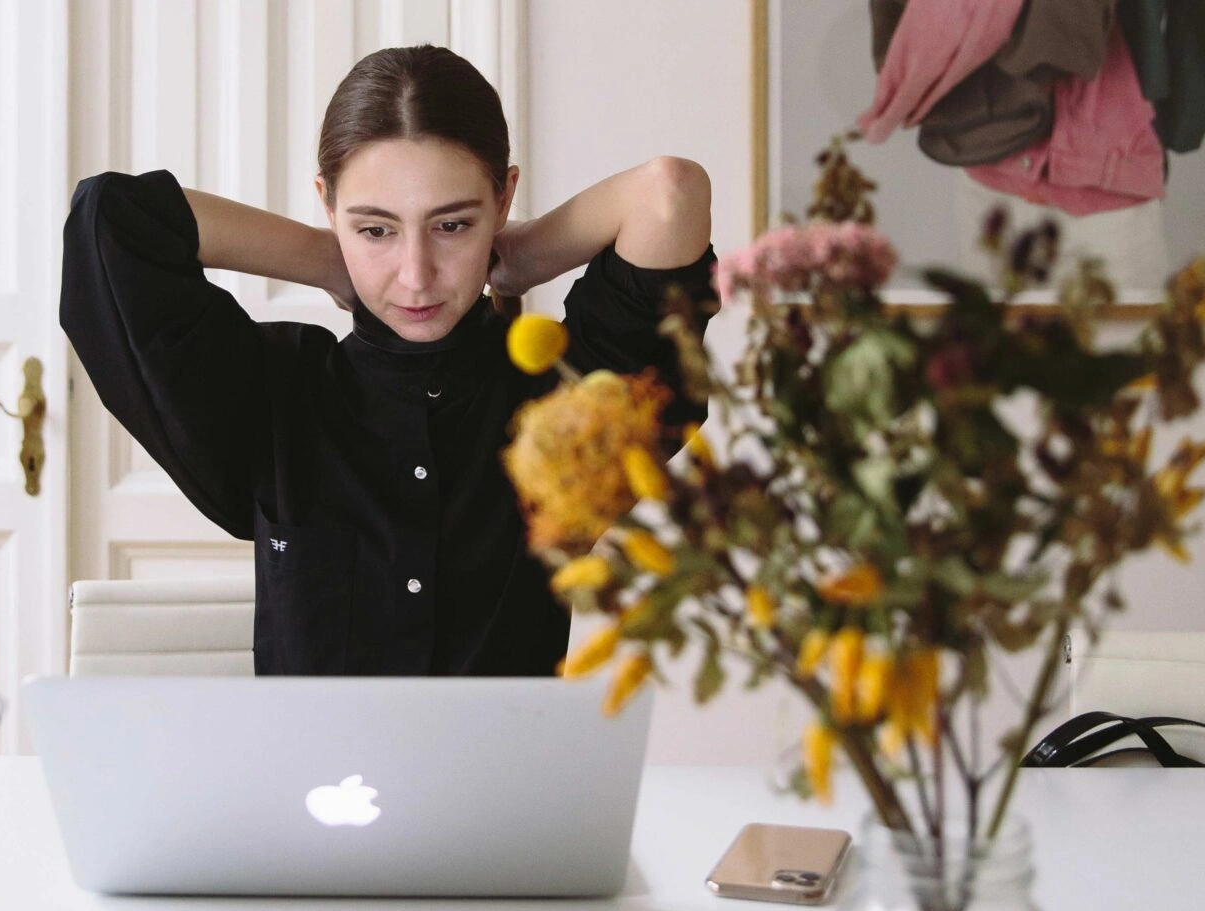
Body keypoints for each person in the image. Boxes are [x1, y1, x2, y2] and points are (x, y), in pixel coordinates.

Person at [59, 44, 718, 677]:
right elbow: (109, 219)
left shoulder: (566, 411)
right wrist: (324, 257)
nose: (415, 276)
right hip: (306, 794)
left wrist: (520, 255)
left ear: (503, 200)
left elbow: (669, 193)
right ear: (328, 205)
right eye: (376, 228)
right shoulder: (274, 397)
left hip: (509, 796)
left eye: (452, 225)